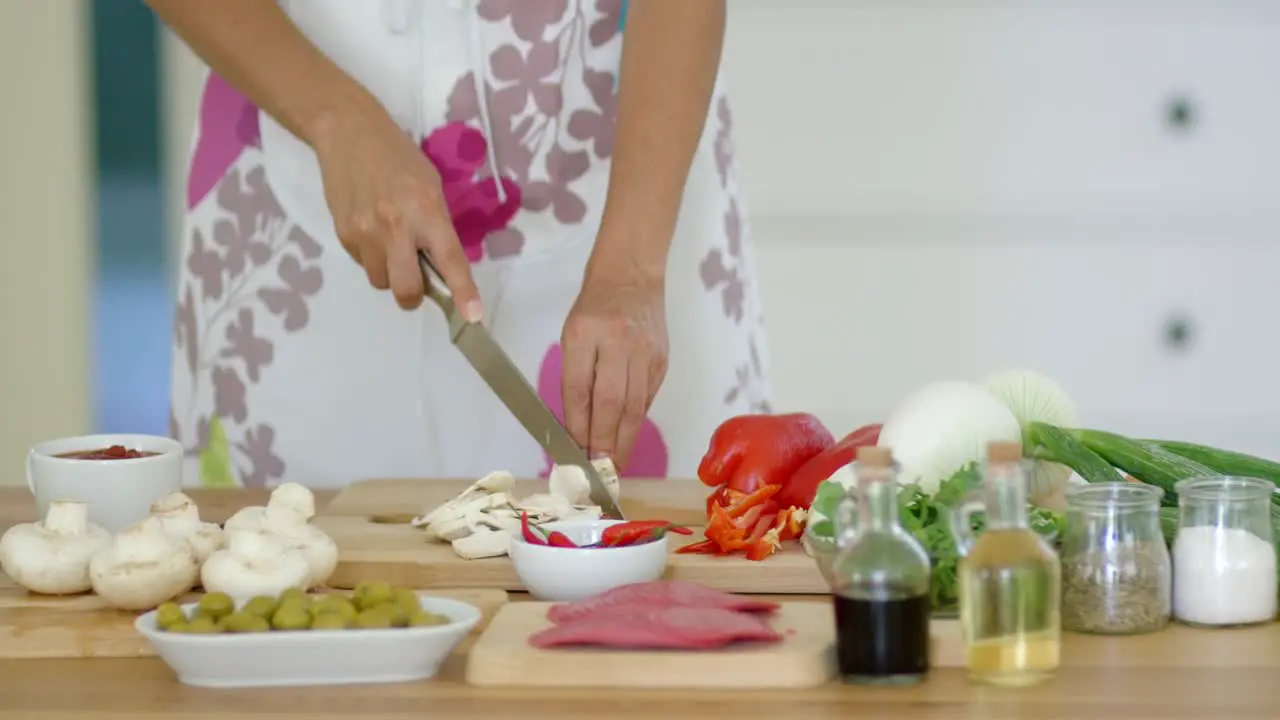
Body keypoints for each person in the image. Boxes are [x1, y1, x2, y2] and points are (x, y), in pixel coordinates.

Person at [153, 0, 772, 489]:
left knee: (668, 601)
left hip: (634, 191)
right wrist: (334, 119)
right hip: (289, 215)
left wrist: (633, 268)